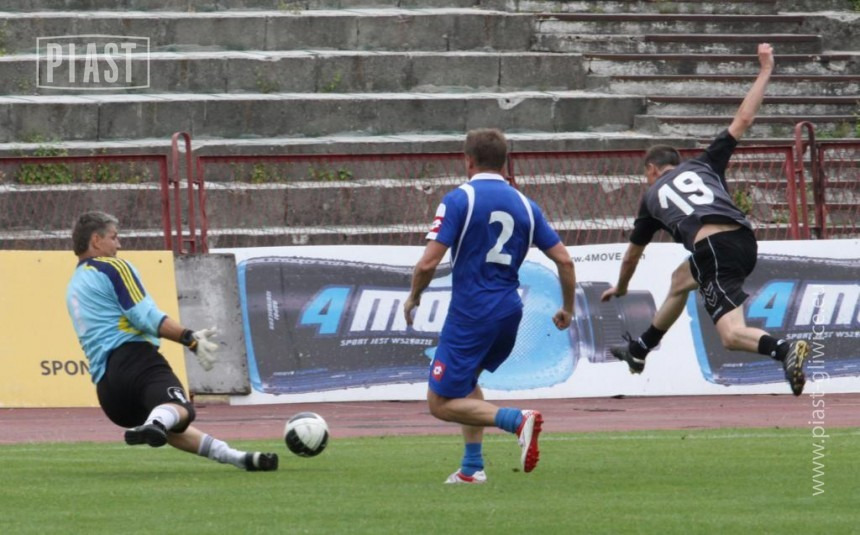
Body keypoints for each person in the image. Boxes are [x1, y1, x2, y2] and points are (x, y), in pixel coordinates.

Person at [600, 43, 809, 396]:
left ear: (651, 170)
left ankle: (784, 350)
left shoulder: (651, 197)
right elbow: (743, 120)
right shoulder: (703, 163)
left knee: (730, 335)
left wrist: (621, 287)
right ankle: (640, 349)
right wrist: (765, 70)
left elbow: (632, 256)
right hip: (743, 239)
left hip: (715, 250)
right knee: (680, 280)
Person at [404, 128, 576, 484]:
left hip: (471, 313)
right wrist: (568, 308)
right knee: (467, 383)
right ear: (505, 161)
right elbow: (564, 260)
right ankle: (472, 468)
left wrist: (414, 295)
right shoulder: (527, 205)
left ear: (468, 160)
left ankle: (517, 420)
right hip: (509, 311)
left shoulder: (459, 199)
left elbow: (427, 263)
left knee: (439, 403)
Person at [65, 211, 278, 470]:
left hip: (109, 391)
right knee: (180, 409)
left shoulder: (74, 284)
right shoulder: (113, 267)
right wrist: (190, 338)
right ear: (96, 240)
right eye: (114, 237)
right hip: (134, 360)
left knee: (170, 423)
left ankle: (236, 457)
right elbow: (144, 317)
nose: (118, 244)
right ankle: (156, 423)